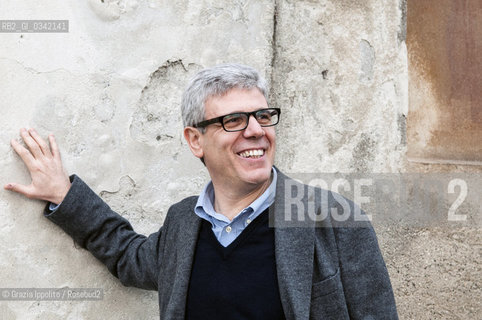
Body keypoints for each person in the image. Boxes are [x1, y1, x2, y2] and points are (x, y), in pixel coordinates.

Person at [4, 63, 398, 319]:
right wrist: (63, 193)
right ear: (196, 140)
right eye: (234, 120)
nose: (257, 130)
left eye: (263, 116)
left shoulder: (331, 218)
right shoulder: (183, 223)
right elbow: (127, 256)